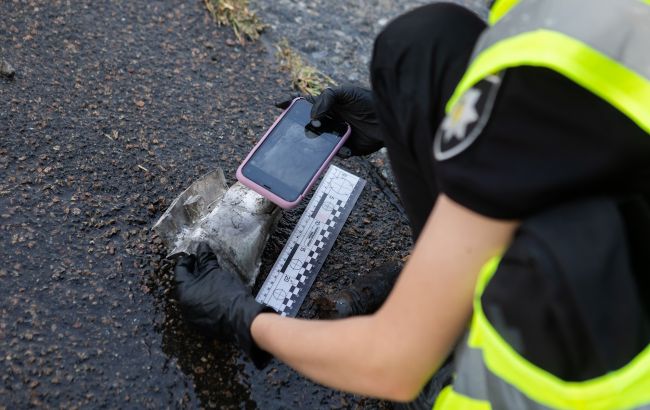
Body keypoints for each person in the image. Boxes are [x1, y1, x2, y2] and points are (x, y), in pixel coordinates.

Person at [174, 1, 650, 408]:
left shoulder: (547, 63)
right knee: (424, 49)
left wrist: (247, 320)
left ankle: (453, 353)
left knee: (576, 250)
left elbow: (391, 363)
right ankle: (445, 284)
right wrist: (397, 121)